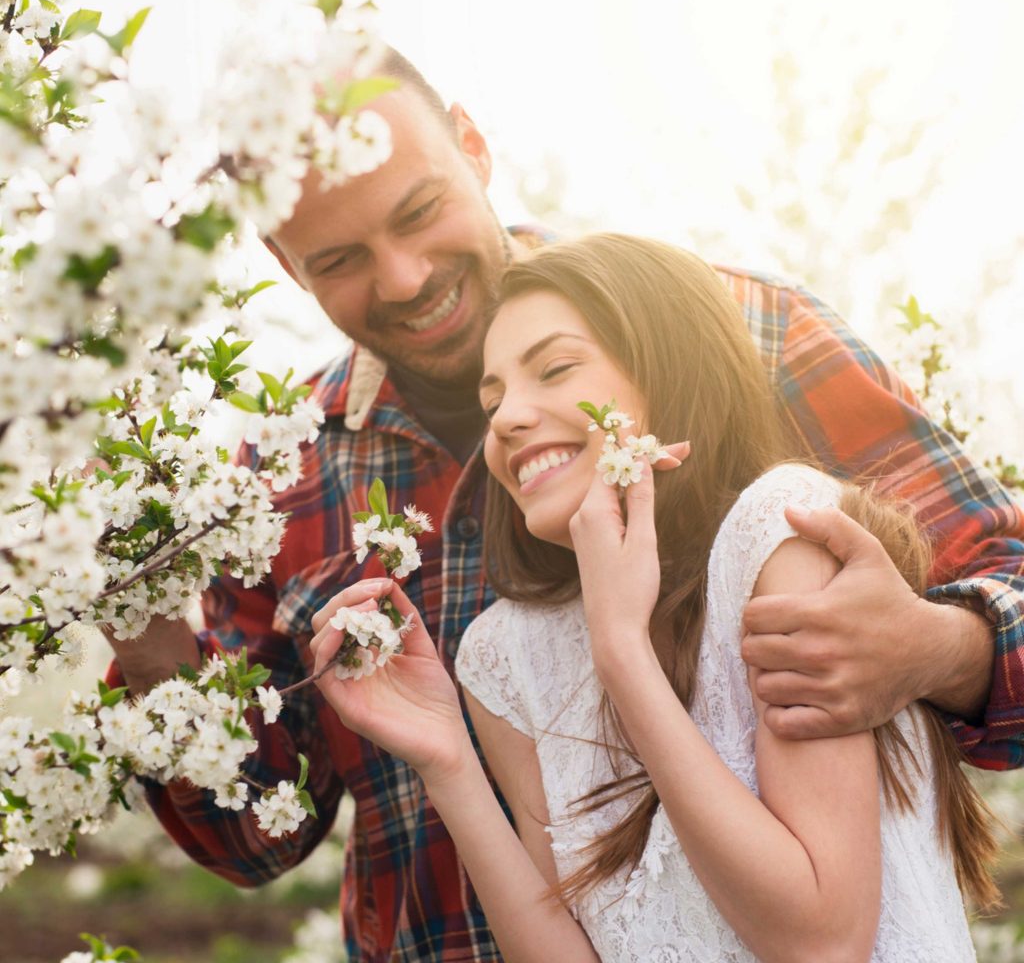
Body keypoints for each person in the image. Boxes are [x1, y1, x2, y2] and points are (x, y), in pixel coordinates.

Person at [106, 49, 1024, 961]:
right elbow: (254, 840)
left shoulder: (739, 333)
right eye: (341, 258)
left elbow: (1004, 585)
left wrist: (934, 648)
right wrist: (141, 625)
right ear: (286, 263)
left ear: (472, 145)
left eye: (419, 212)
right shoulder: (272, 482)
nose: (404, 277)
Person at [308, 233, 1000, 960]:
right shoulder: (503, 655)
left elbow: (822, 940)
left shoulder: (776, 533)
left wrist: (622, 652)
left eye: (555, 368)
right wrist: (447, 762)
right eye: (494, 398)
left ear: (668, 373)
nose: (508, 416)